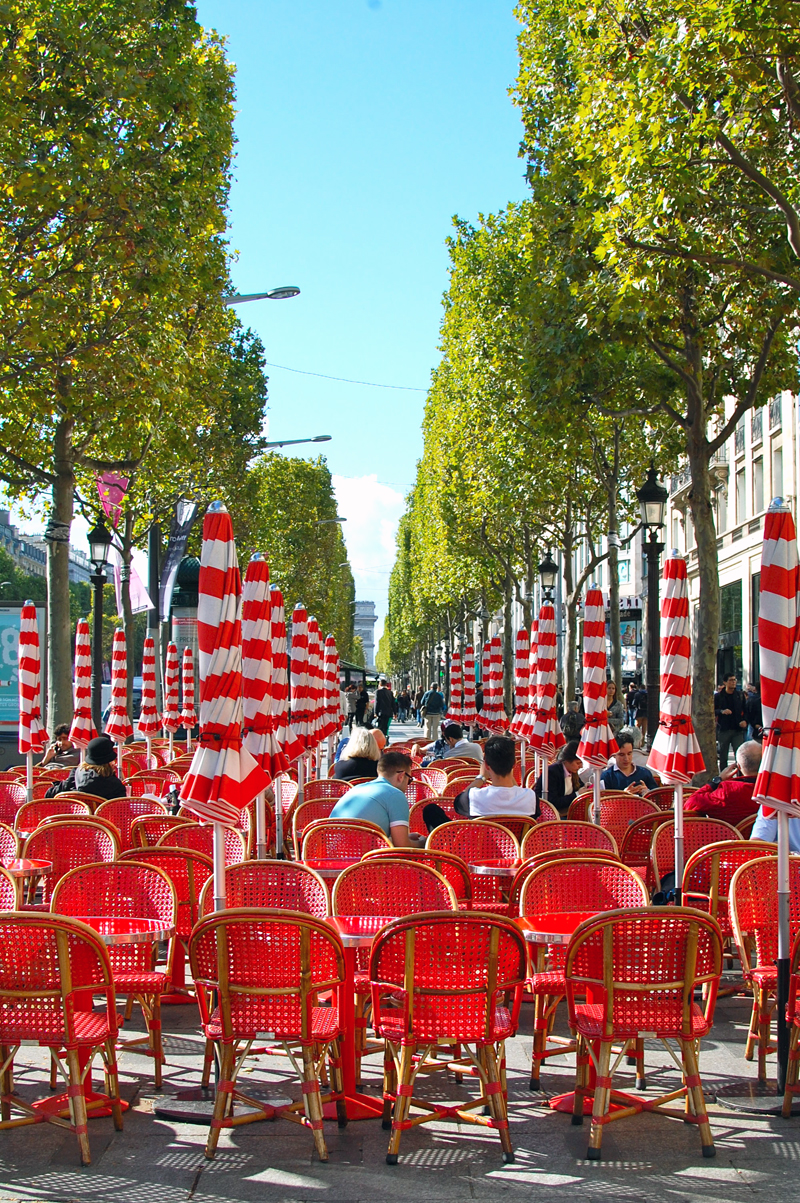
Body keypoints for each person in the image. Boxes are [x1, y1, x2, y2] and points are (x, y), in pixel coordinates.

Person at [422, 735, 539, 829]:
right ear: (514, 763)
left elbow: (458, 803)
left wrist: (481, 777)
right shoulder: (530, 797)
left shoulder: (474, 796)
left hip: (479, 851)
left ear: (487, 765)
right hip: (517, 853)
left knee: (431, 810)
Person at [329, 749, 422, 847]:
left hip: (331, 853)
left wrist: (404, 837)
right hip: (363, 859)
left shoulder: (358, 788)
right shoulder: (396, 794)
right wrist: (424, 843)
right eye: (409, 780)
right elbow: (402, 845)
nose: (407, 785)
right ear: (401, 776)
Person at [684, 740, 762, 825]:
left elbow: (691, 803)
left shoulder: (727, 790)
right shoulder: (773, 789)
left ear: (738, 766)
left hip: (728, 837)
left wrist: (717, 780)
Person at [45, 734, 127, 801]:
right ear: (109, 761)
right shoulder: (115, 785)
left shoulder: (77, 773)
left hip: (75, 819)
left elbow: (50, 794)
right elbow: (122, 810)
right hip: (103, 820)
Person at [532, 740, 588, 815]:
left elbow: (579, 787)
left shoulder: (572, 771)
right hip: (549, 814)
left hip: (566, 812)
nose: (581, 766)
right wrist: (577, 794)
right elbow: (553, 802)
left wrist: (586, 788)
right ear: (567, 761)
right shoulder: (552, 773)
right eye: (578, 763)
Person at [600, 729, 657, 795]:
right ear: (614, 755)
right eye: (621, 755)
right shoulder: (607, 776)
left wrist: (647, 792)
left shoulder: (645, 773)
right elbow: (603, 801)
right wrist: (624, 795)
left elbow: (658, 799)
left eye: (629, 753)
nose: (626, 759)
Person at [715, 673, 747, 770]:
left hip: (737, 730)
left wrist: (745, 721)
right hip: (724, 729)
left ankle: (739, 775)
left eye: (735, 680)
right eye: (731, 680)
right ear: (725, 682)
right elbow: (713, 710)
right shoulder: (718, 696)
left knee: (739, 755)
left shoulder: (740, 695)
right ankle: (724, 777)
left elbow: (746, 711)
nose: (733, 682)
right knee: (723, 756)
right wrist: (721, 711)